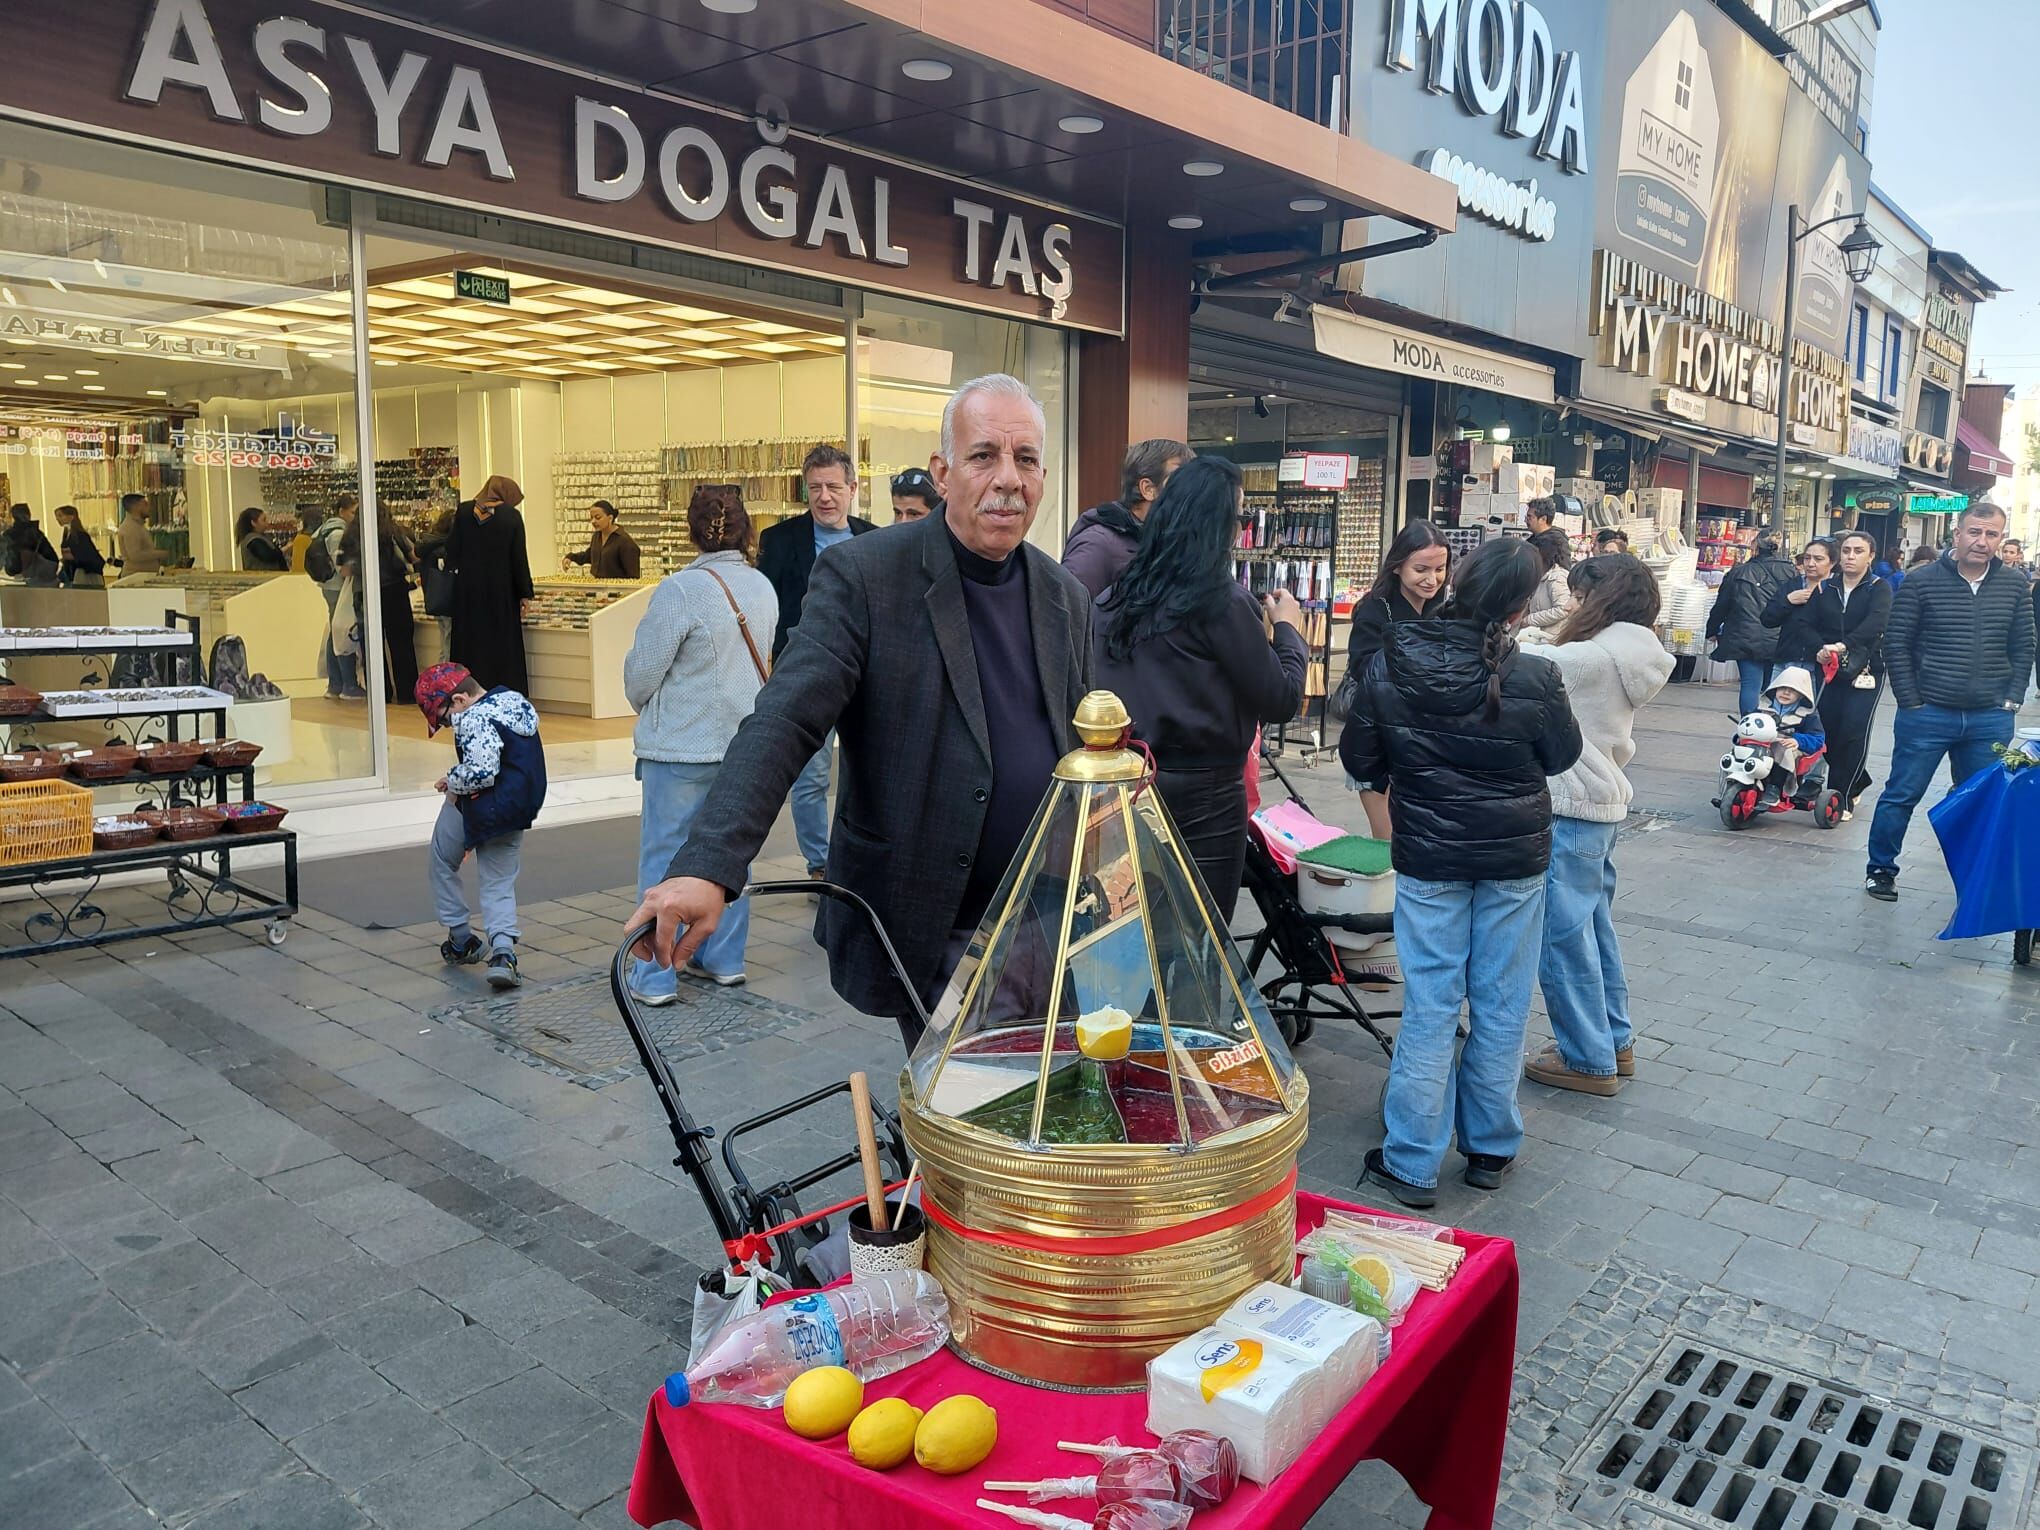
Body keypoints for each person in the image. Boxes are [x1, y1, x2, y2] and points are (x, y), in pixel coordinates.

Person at [630, 374, 1093, 1052]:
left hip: (1044, 921)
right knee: (971, 1110)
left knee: (1043, 1108)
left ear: (1043, 475)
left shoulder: (1066, 597)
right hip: (933, 920)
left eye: (1025, 459)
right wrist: (709, 863)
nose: (1007, 478)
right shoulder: (868, 576)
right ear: (942, 471)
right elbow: (785, 721)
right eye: (984, 455)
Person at [1338, 537, 1583, 1206]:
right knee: (1501, 1003)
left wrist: (1409, 774)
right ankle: (1489, 1148)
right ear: (1519, 606)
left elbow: (1358, 752)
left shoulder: (1392, 663)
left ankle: (1411, 1159)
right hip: (1512, 860)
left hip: (1430, 858)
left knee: (1431, 1003)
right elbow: (1560, 756)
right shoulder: (1534, 675)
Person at [1092, 455, 1308, 920]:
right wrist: (1289, 631)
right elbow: (1281, 698)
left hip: (1126, 785)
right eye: (1237, 516)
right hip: (1205, 799)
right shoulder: (1220, 602)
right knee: (1198, 945)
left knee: (1130, 934)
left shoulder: (1116, 596)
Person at [1522, 555, 1672, 1096]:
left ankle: (1586, 1057)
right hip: (1601, 804)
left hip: (1570, 803)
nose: (1573, 606)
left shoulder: (1589, 657)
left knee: (1562, 937)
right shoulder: (1637, 652)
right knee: (1594, 930)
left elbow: (1523, 659)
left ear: (1599, 599)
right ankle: (1615, 1040)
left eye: (1579, 597)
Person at [624, 485, 779, 999]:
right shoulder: (762, 587)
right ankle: (724, 958)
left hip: (681, 748)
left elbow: (641, 676)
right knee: (731, 853)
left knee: (665, 858)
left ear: (691, 530)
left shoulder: (680, 591)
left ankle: (654, 974)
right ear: (745, 529)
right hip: (742, 745)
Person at [1866, 502, 2035, 902]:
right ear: (1957, 534)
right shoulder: (1922, 581)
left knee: (1982, 801)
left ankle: (1973, 875)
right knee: (1902, 794)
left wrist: (2011, 700)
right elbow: (1897, 643)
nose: (1982, 541)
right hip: (1928, 714)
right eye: (1975, 532)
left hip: (1989, 717)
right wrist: (1910, 700)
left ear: (2001, 538)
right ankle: (1881, 869)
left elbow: (2024, 646)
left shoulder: (2013, 585)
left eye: (1992, 534)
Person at [756, 447, 878, 879]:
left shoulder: (874, 538)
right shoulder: (780, 540)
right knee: (810, 776)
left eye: (833, 487)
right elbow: (766, 609)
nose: (824, 497)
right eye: (815, 488)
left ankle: (865, 856)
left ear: (853, 488)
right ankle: (820, 865)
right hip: (809, 675)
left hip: (868, 676)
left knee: (873, 774)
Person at [416, 661, 546, 992]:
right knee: (498, 882)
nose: (447, 725)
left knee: (442, 860)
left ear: (459, 699)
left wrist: (451, 780)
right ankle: (503, 953)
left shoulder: (474, 718)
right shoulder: (514, 701)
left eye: (444, 719)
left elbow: (482, 771)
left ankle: (462, 939)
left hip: (480, 804)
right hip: (515, 810)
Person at [1343, 519, 1451, 839]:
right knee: (1391, 841)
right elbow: (1367, 671)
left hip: (1424, 745)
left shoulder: (1443, 611)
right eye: (1421, 569)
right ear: (1397, 566)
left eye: (1440, 569)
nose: (1432, 580)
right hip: (1378, 745)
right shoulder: (1375, 611)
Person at [1816, 529, 1893, 818]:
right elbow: (1809, 623)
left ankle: (1841, 795)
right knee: (1825, 731)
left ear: (1870, 556)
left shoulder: (1878, 587)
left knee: (1852, 731)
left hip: (1866, 669)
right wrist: (1818, 648)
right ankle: (1858, 778)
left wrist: (1844, 644)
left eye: (1858, 551)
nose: (1850, 556)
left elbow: (1877, 622)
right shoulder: (1827, 588)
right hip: (1829, 668)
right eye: (1846, 550)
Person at [1062, 438, 1188, 598]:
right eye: (1179, 481)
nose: (1189, 491)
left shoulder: (1167, 543)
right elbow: (1067, 615)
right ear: (1148, 489)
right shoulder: (1098, 545)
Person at [446, 476, 535, 694]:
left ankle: (468, 689)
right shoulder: (511, 517)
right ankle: (503, 690)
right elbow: (518, 559)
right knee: (502, 643)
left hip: (467, 591)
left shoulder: (464, 512)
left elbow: (452, 550)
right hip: (500, 591)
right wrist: (525, 593)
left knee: (469, 641)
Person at [1706, 532, 1797, 715]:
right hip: (1778, 636)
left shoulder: (1738, 573)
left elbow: (1721, 606)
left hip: (1744, 635)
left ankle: (1749, 728)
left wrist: (1712, 630)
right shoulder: (1791, 572)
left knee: (1750, 683)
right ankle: (1772, 726)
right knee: (1775, 684)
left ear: (1755, 546)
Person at [1761, 538, 1839, 686]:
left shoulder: (1837, 588)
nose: (1810, 563)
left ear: (1832, 562)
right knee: (1781, 707)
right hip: (1787, 660)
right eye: (1807, 558)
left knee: (1815, 708)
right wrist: (1788, 601)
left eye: (1818, 559)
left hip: (1821, 663)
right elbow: (1767, 619)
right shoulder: (1793, 584)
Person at [1755, 666, 1825, 810]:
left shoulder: (1807, 716)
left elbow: (1818, 739)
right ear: (1774, 689)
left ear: (1801, 695)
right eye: (1782, 688)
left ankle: (1775, 787)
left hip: (1792, 748)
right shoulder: (1762, 709)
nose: (1786, 692)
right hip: (1763, 744)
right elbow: (1749, 725)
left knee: (1782, 749)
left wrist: (1797, 740)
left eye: (1793, 690)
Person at [563, 499, 641, 579]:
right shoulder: (596, 536)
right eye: (591, 518)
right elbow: (589, 556)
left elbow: (633, 577)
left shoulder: (625, 542)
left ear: (610, 518)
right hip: (597, 588)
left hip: (616, 589)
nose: (593, 521)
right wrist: (570, 557)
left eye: (598, 517)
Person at [1521, 527, 1574, 631]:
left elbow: (1564, 609)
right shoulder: (1540, 576)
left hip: (1552, 637)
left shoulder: (1557, 577)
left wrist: (1530, 620)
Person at [114, 493, 165, 577]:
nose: (149, 507)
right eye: (145, 504)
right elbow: (135, 555)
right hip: (135, 578)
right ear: (135, 507)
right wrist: (161, 554)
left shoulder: (138, 526)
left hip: (143, 577)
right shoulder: (130, 528)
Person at [5, 504, 58, 583]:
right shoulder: (36, 534)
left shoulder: (8, 535)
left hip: (17, 573)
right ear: (28, 514)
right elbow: (51, 557)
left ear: (13, 516)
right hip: (37, 575)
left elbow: (6, 556)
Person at [54, 505, 103, 587]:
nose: (58, 519)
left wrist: (73, 557)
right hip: (74, 570)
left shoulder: (80, 535)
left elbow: (86, 554)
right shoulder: (66, 533)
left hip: (84, 571)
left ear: (71, 516)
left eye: (60, 516)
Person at [235, 507, 288, 572]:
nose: (267, 523)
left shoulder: (262, 537)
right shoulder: (253, 540)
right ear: (253, 523)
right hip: (262, 578)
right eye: (264, 520)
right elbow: (268, 556)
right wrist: (286, 548)